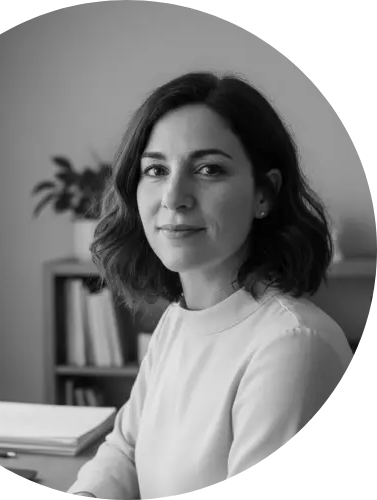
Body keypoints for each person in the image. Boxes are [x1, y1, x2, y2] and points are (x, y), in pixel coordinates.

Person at [66, 71, 355, 498]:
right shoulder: (179, 321)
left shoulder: (295, 347)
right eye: (156, 169)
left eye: (208, 169)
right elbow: (125, 448)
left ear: (264, 194)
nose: (173, 197)